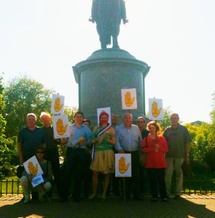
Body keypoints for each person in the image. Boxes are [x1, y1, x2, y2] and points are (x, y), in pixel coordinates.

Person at [60, 111, 92, 202]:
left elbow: (91, 141)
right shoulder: (68, 128)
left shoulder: (86, 129)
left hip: (81, 152)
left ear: (83, 118)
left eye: (80, 117)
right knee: (67, 173)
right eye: (77, 116)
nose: (78, 118)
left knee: (78, 174)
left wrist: (84, 142)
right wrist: (63, 139)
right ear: (74, 118)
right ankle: (64, 196)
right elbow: (64, 142)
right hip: (71, 151)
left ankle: (76, 196)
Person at [115, 113, 143, 201]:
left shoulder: (136, 128)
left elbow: (140, 140)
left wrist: (141, 152)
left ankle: (136, 195)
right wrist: (119, 149)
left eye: (129, 118)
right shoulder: (118, 129)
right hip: (124, 153)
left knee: (135, 175)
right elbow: (116, 141)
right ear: (123, 119)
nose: (127, 119)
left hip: (134, 153)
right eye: (126, 118)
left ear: (131, 119)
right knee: (125, 175)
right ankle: (125, 194)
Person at [163, 113, 192, 199]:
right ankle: (167, 192)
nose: (173, 120)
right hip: (169, 156)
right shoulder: (167, 130)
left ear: (178, 118)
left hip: (180, 156)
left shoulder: (183, 129)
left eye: (175, 118)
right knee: (168, 174)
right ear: (170, 119)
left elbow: (187, 143)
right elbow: (163, 143)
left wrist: (187, 155)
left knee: (179, 174)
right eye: (172, 118)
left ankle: (178, 193)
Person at [18, 113, 45, 200]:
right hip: (27, 157)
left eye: (32, 119)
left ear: (35, 120)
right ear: (26, 120)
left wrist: (42, 154)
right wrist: (21, 157)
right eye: (29, 119)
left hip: (38, 157)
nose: (31, 121)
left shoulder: (41, 131)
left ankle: (35, 194)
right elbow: (19, 144)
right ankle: (26, 195)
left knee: (36, 176)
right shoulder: (22, 131)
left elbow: (44, 143)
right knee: (26, 176)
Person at [90, 110, 116, 200]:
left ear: (108, 118)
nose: (104, 119)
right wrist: (98, 139)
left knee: (107, 173)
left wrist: (106, 139)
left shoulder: (111, 129)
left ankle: (104, 193)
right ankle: (94, 193)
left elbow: (114, 142)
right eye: (102, 117)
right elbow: (92, 141)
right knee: (95, 173)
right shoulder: (96, 128)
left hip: (107, 152)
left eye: (105, 117)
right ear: (99, 118)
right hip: (98, 152)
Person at [142, 121, 168, 202]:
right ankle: (154, 196)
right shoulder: (146, 139)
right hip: (150, 163)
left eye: (153, 128)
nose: (151, 130)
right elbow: (143, 149)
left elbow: (166, 149)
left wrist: (159, 147)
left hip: (160, 163)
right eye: (150, 128)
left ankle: (163, 196)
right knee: (152, 181)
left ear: (156, 128)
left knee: (161, 181)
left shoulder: (161, 138)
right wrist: (151, 149)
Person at [40, 112, 62, 198]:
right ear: (41, 120)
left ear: (50, 119)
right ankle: (47, 194)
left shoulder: (55, 129)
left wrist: (56, 139)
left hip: (54, 152)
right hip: (45, 153)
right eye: (43, 119)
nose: (45, 120)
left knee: (57, 172)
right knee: (45, 173)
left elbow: (60, 142)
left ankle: (60, 194)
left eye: (46, 118)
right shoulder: (40, 130)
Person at [137, 116, 149, 199]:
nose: (140, 123)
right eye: (138, 122)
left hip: (144, 154)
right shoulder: (134, 131)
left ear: (144, 123)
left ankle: (142, 191)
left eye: (142, 122)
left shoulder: (147, 133)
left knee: (142, 173)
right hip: (135, 153)